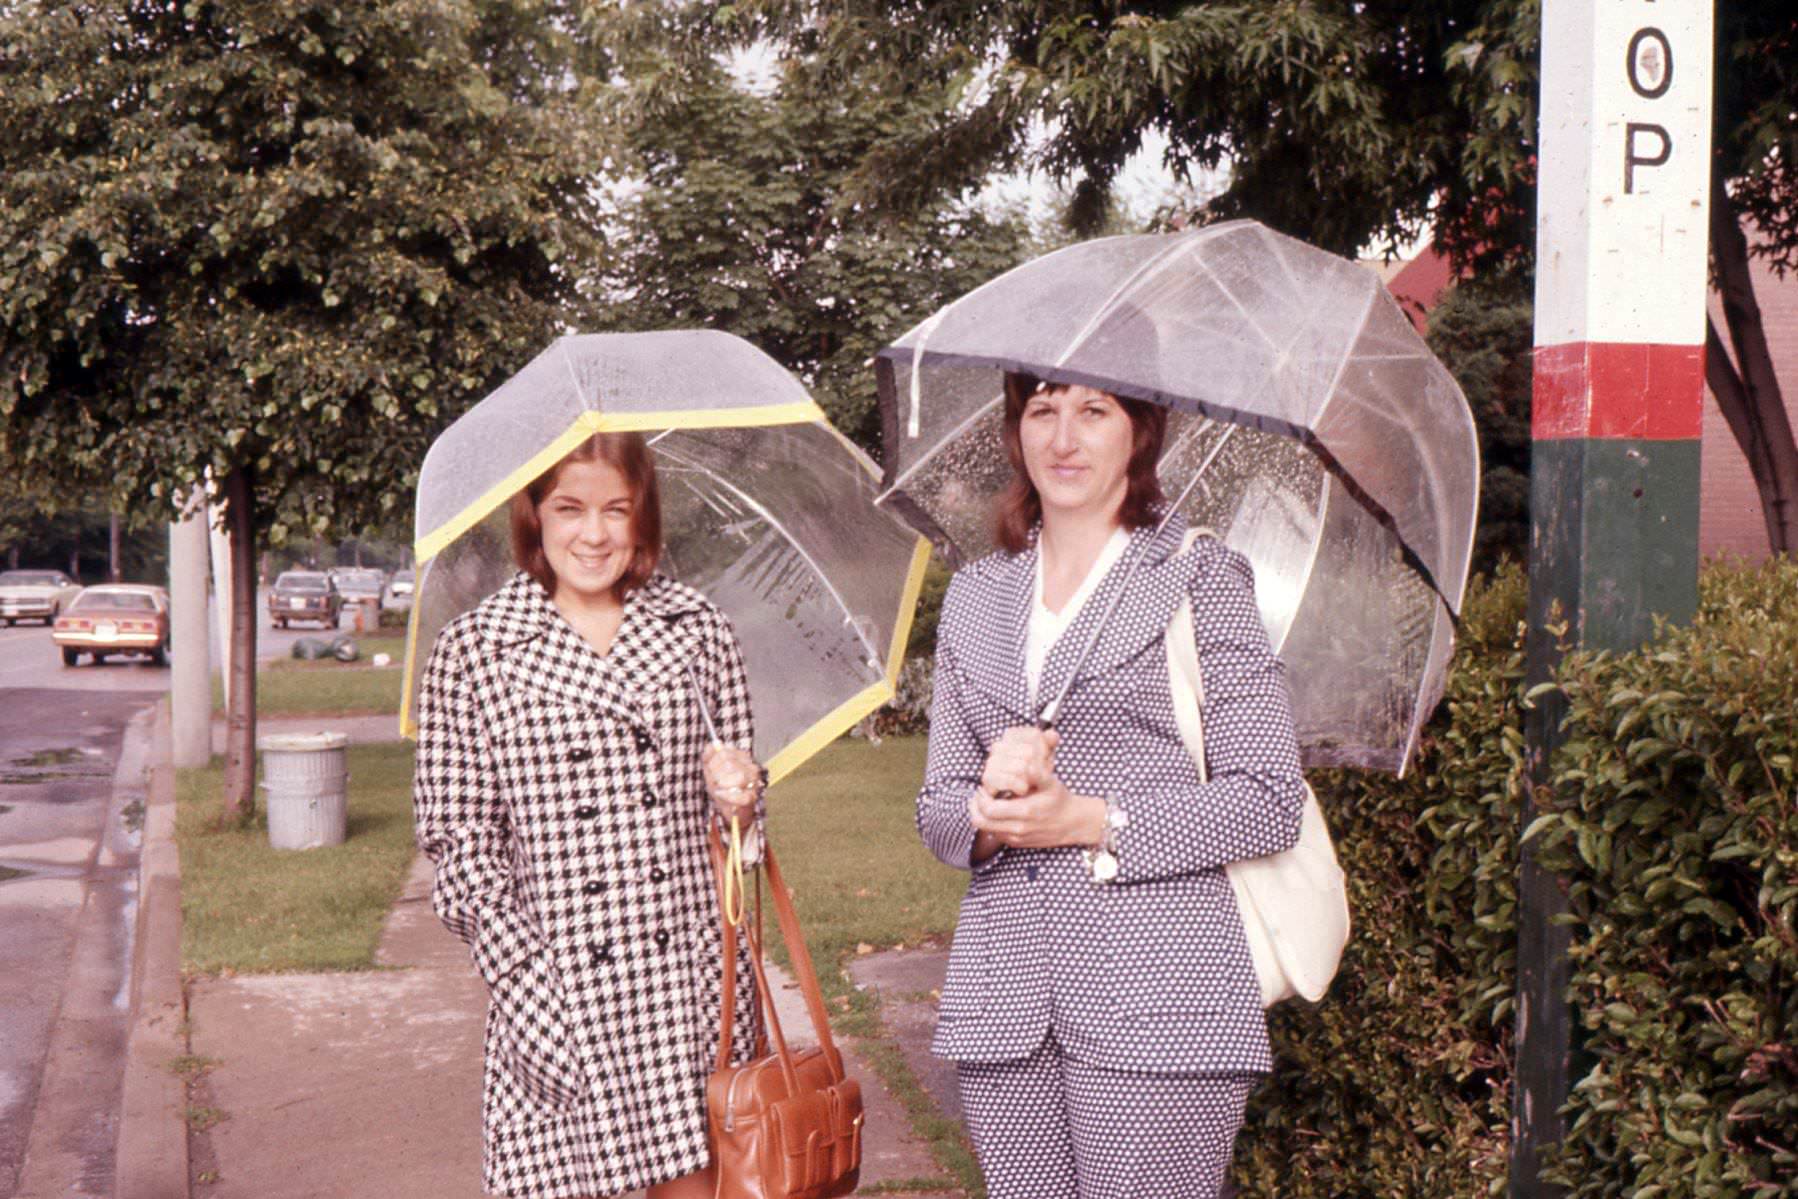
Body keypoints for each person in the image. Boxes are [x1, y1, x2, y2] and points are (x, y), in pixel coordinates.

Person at [916, 373, 1307, 1198]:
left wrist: (1087, 819)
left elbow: (1268, 796)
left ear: (1142, 430)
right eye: (1042, 410)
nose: (1064, 438)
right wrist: (986, 812)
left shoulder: (1200, 577)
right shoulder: (977, 596)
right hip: (1004, 1002)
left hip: (1162, 1001)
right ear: (1015, 429)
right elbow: (940, 809)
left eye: (1094, 411)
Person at [413, 432, 766, 1199]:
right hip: (560, 989)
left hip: (691, 991)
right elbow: (461, 848)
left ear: (644, 516)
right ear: (534, 514)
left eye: (617, 508)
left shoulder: (698, 631)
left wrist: (741, 799)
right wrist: (525, 985)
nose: (595, 533)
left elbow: (742, 846)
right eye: (570, 507)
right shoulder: (474, 651)